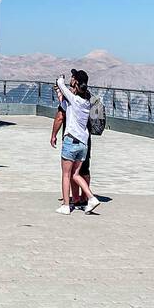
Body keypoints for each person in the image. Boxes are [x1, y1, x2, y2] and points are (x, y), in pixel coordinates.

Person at [55, 71, 96, 214]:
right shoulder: (86, 103)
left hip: (71, 141)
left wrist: (60, 79)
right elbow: (66, 106)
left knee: (66, 174)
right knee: (76, 174)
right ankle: (91, 198)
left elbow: (61, 84)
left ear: (77, 84)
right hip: (83, 143)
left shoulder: (74, 99)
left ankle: (66, 205)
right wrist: (61, 95)